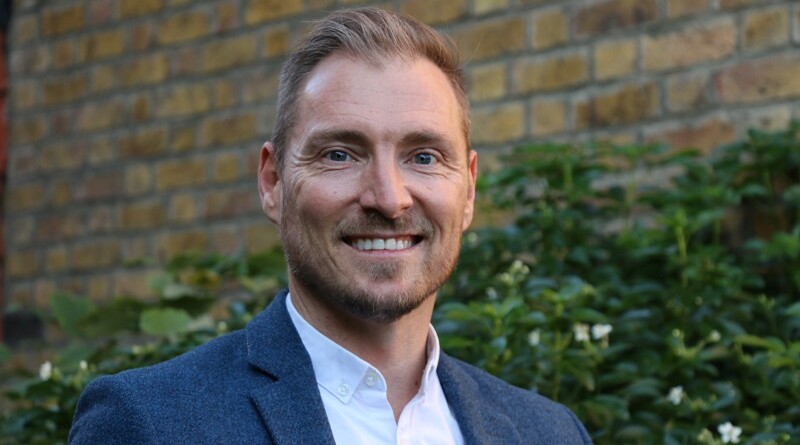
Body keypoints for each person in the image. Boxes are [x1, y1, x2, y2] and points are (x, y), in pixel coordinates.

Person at [69, 7, 592, 444]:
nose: (389, 198)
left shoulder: (550, 433)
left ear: (469, 189)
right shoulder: (147, 423)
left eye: (424, 157)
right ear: (273, 182)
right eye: (340, 154)